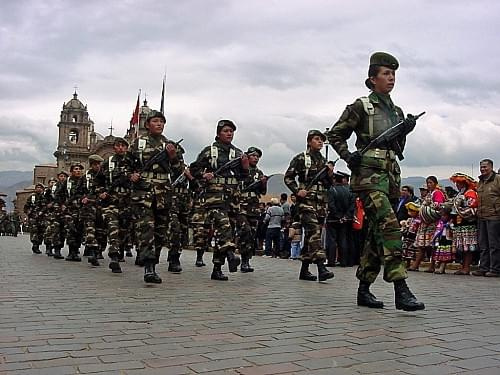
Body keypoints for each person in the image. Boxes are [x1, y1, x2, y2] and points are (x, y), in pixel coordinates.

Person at [326, 52, 424, 311]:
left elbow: (398, 148)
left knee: (376, 234)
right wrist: (349, 156)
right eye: (385, 74)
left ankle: (363, 289)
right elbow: (335, 134)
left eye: (393, 74)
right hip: (368, 178)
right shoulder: (361, 106)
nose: (391, 78)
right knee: (391, 227)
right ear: (372, 79)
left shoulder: (396, 111)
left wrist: (405, 129)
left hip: (390, 177)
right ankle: (400, 288)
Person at [129, 110, 185, 283]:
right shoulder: (138, 144)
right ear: (147, 124)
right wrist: (131, 175)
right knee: (147, 229)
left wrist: (173, 156)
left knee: (161, 231)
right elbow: (125, 165)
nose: (159, 124)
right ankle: (149, 268)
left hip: (163, 193)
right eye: (155, 121)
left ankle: (153, 261)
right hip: (143, 192)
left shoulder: (170, 145)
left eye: (161, 121)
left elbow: (179, 171)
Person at [189, 119, 248, 280]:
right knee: (224, 226)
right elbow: (194, 168)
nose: (229, 134)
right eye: (226, 131)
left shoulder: (237, 153)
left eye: (231, 131)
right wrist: (203, 174)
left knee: (227, 231)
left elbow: (244, 177)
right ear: (218, 133)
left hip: (233, 198)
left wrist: (245, 166)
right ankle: (230, 255)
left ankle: (217, 268)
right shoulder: (209, 151)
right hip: (214, 197)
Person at [284, 129, 334, 282]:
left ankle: (304, 270)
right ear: (309, 141)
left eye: (321, 140)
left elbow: (327, 184)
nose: (319, 142)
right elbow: (288, 177)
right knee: (314, 232)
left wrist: (330, 175)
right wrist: (298, 190)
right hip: (306, 203)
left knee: (312, 236)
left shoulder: (324, 162)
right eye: (316, 139)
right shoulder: (300, 158)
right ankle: (321, 267)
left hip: (320, 203)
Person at [98, 138, 135, 273]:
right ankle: (113, 256)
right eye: (118, 146)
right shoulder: (108, 163)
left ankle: (120, 250)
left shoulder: (133, 162)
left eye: (123, 146)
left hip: (127, 201)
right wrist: (101, 192)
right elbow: (98, 181)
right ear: (114, 148)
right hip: (111, 202)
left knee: (124, 230)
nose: (120, 148)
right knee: (113, 228)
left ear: (126, 148)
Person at [238, 147, 267, 271]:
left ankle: (246, 260)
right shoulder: (240, 170)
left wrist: (263, 183)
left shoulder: (259, 173)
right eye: (253, 155)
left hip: (253, 207)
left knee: (252, 235)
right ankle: (241, 258)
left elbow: (263, 192)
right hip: (241, 206)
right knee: (246, 231)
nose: (255, 158)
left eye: (257, 156)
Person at [411, 176, 446, 272]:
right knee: (421, 245)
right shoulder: (429, 194)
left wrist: (428, 207)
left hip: (433, 223)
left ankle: (431, 265)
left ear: (435, 183)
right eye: (428, 183)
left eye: (431, 183)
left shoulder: (437, 193)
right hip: (425, 223)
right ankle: (416, 264)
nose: (429, 185)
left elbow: (438, 205)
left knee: (432, 245)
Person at [473, 159, 500, 277]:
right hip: (481, 216)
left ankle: (495, 269)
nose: (483, 169)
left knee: (494, 244)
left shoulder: (497, 179)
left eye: (485, 167)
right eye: (481, 167)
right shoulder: (480, 182)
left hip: (494, 216)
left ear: (491, 167)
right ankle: (483, 267)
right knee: (483, 244)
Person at [450, 173, 478, 275]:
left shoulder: (470, 193)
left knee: (468, 246)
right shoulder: (460, 194)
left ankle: (466, 267)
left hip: (468, 224)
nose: (457, 185)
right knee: (463, 246)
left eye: (460, 183)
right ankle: (463, 267)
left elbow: (472, 208)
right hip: (460, 224)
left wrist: (460, 212)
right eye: (457, 183)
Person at [325, 172, 356, 267]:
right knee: (343, 240)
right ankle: (344, 261)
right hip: (346, 219)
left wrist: (338, 216)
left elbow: (331, 205)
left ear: (335, 179)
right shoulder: (350, 191)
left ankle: (331, 261)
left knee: (332, 240)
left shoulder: (332, 190)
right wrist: (345, 216)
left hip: (333, 219)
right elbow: (352, 206)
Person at [430, 204, 454, 274]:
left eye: (444, 215)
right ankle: (441, 267)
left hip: (447, 239)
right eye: (441, 215)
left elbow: (452, 229)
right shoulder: (440, 222)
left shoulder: (450, 222)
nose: (442, 217)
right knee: (441, 253)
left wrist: (448, 225)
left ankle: (442, 267)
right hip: (441, 238)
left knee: (445, 253)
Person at [23, 183, 47, 254]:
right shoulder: (32, 197)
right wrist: (28, 213)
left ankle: (38, 244)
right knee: (34, 231)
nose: (39, 189)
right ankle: (35, 245)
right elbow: (26, 207)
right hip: (33, 218)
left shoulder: (45, 197)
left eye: (40, 187)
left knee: (41, 232)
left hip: (42, 218)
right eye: (37, 187)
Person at [400, 201, 421, 268]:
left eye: (412, 211)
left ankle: (414, 264)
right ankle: (407, 263)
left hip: (414, 237)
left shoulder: (418, 220)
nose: (410, 213)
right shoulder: (410, 219)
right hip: (408, 237)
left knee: (413, 251)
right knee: (406, 250)